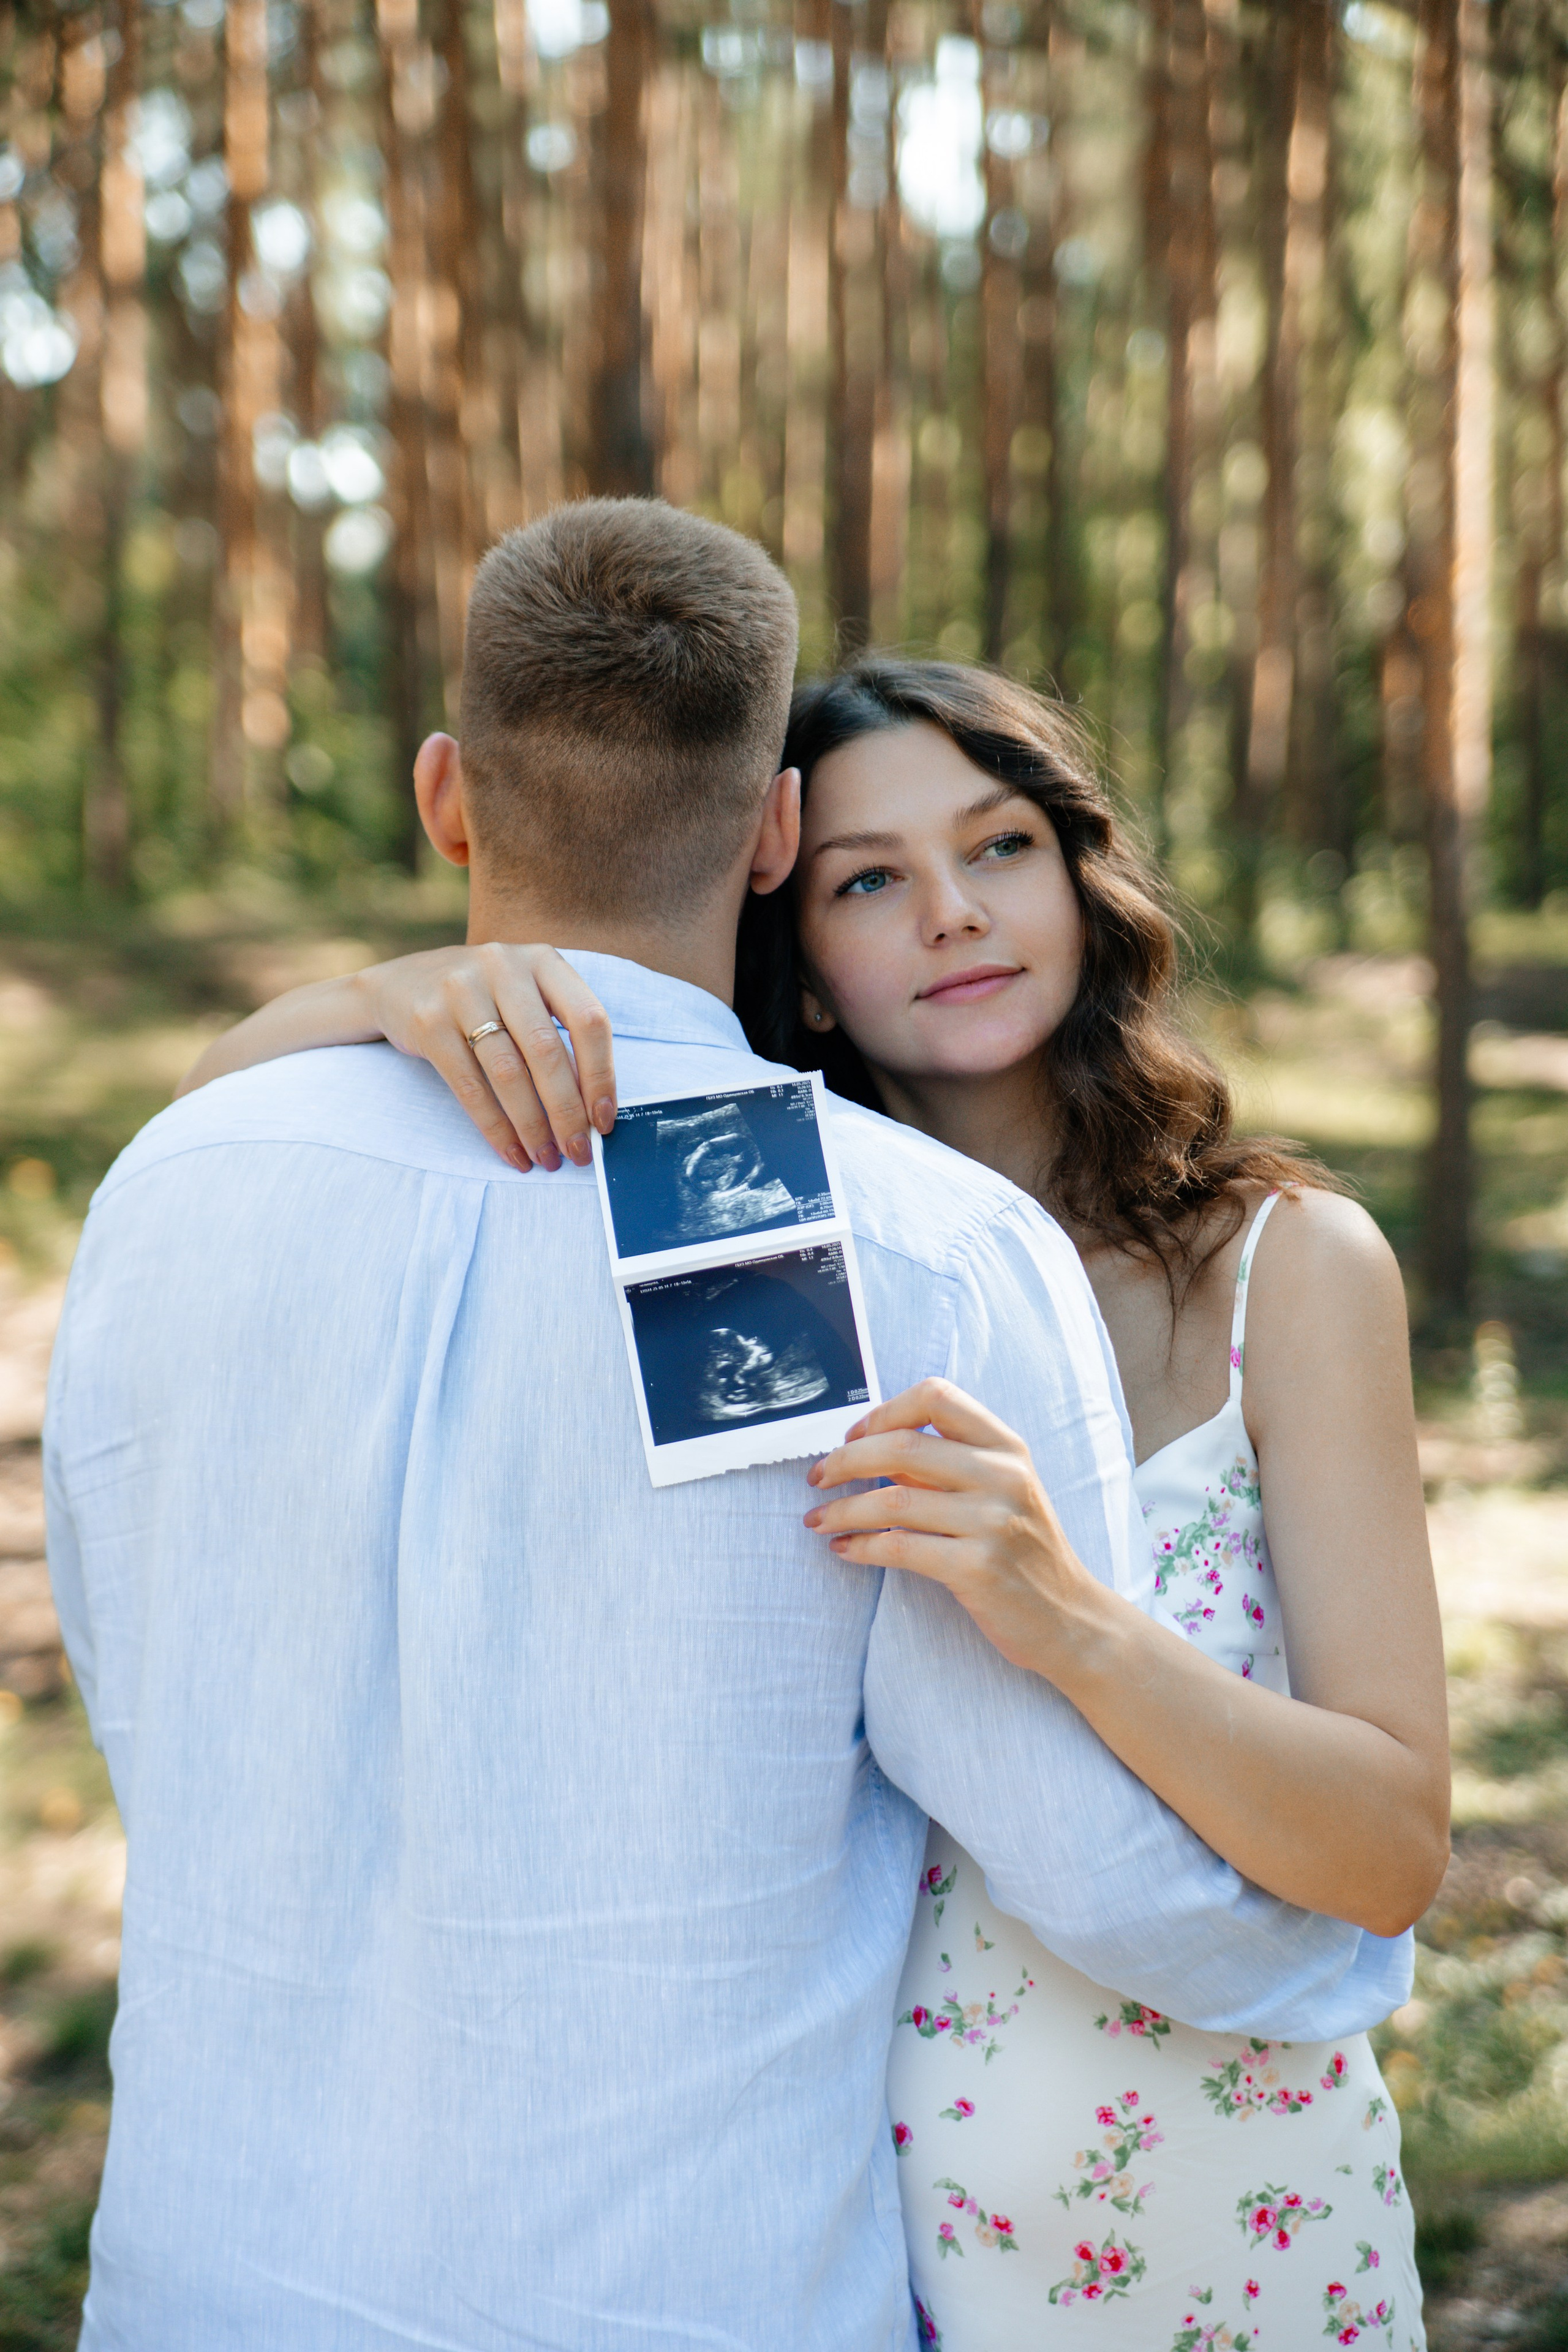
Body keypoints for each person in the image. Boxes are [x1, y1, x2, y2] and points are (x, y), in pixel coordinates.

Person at [187, 645, 1449, 2350]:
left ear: (1079, 881)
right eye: (871, 878)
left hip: (1218, 2217)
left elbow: (1387, 1852)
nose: (954, 912)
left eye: (1000, 848)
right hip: (842, 2235)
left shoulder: (1280, 1271)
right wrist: (386, 999)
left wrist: (1071, 1618)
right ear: (797, 938)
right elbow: (216, 1123)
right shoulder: (757, 1242)